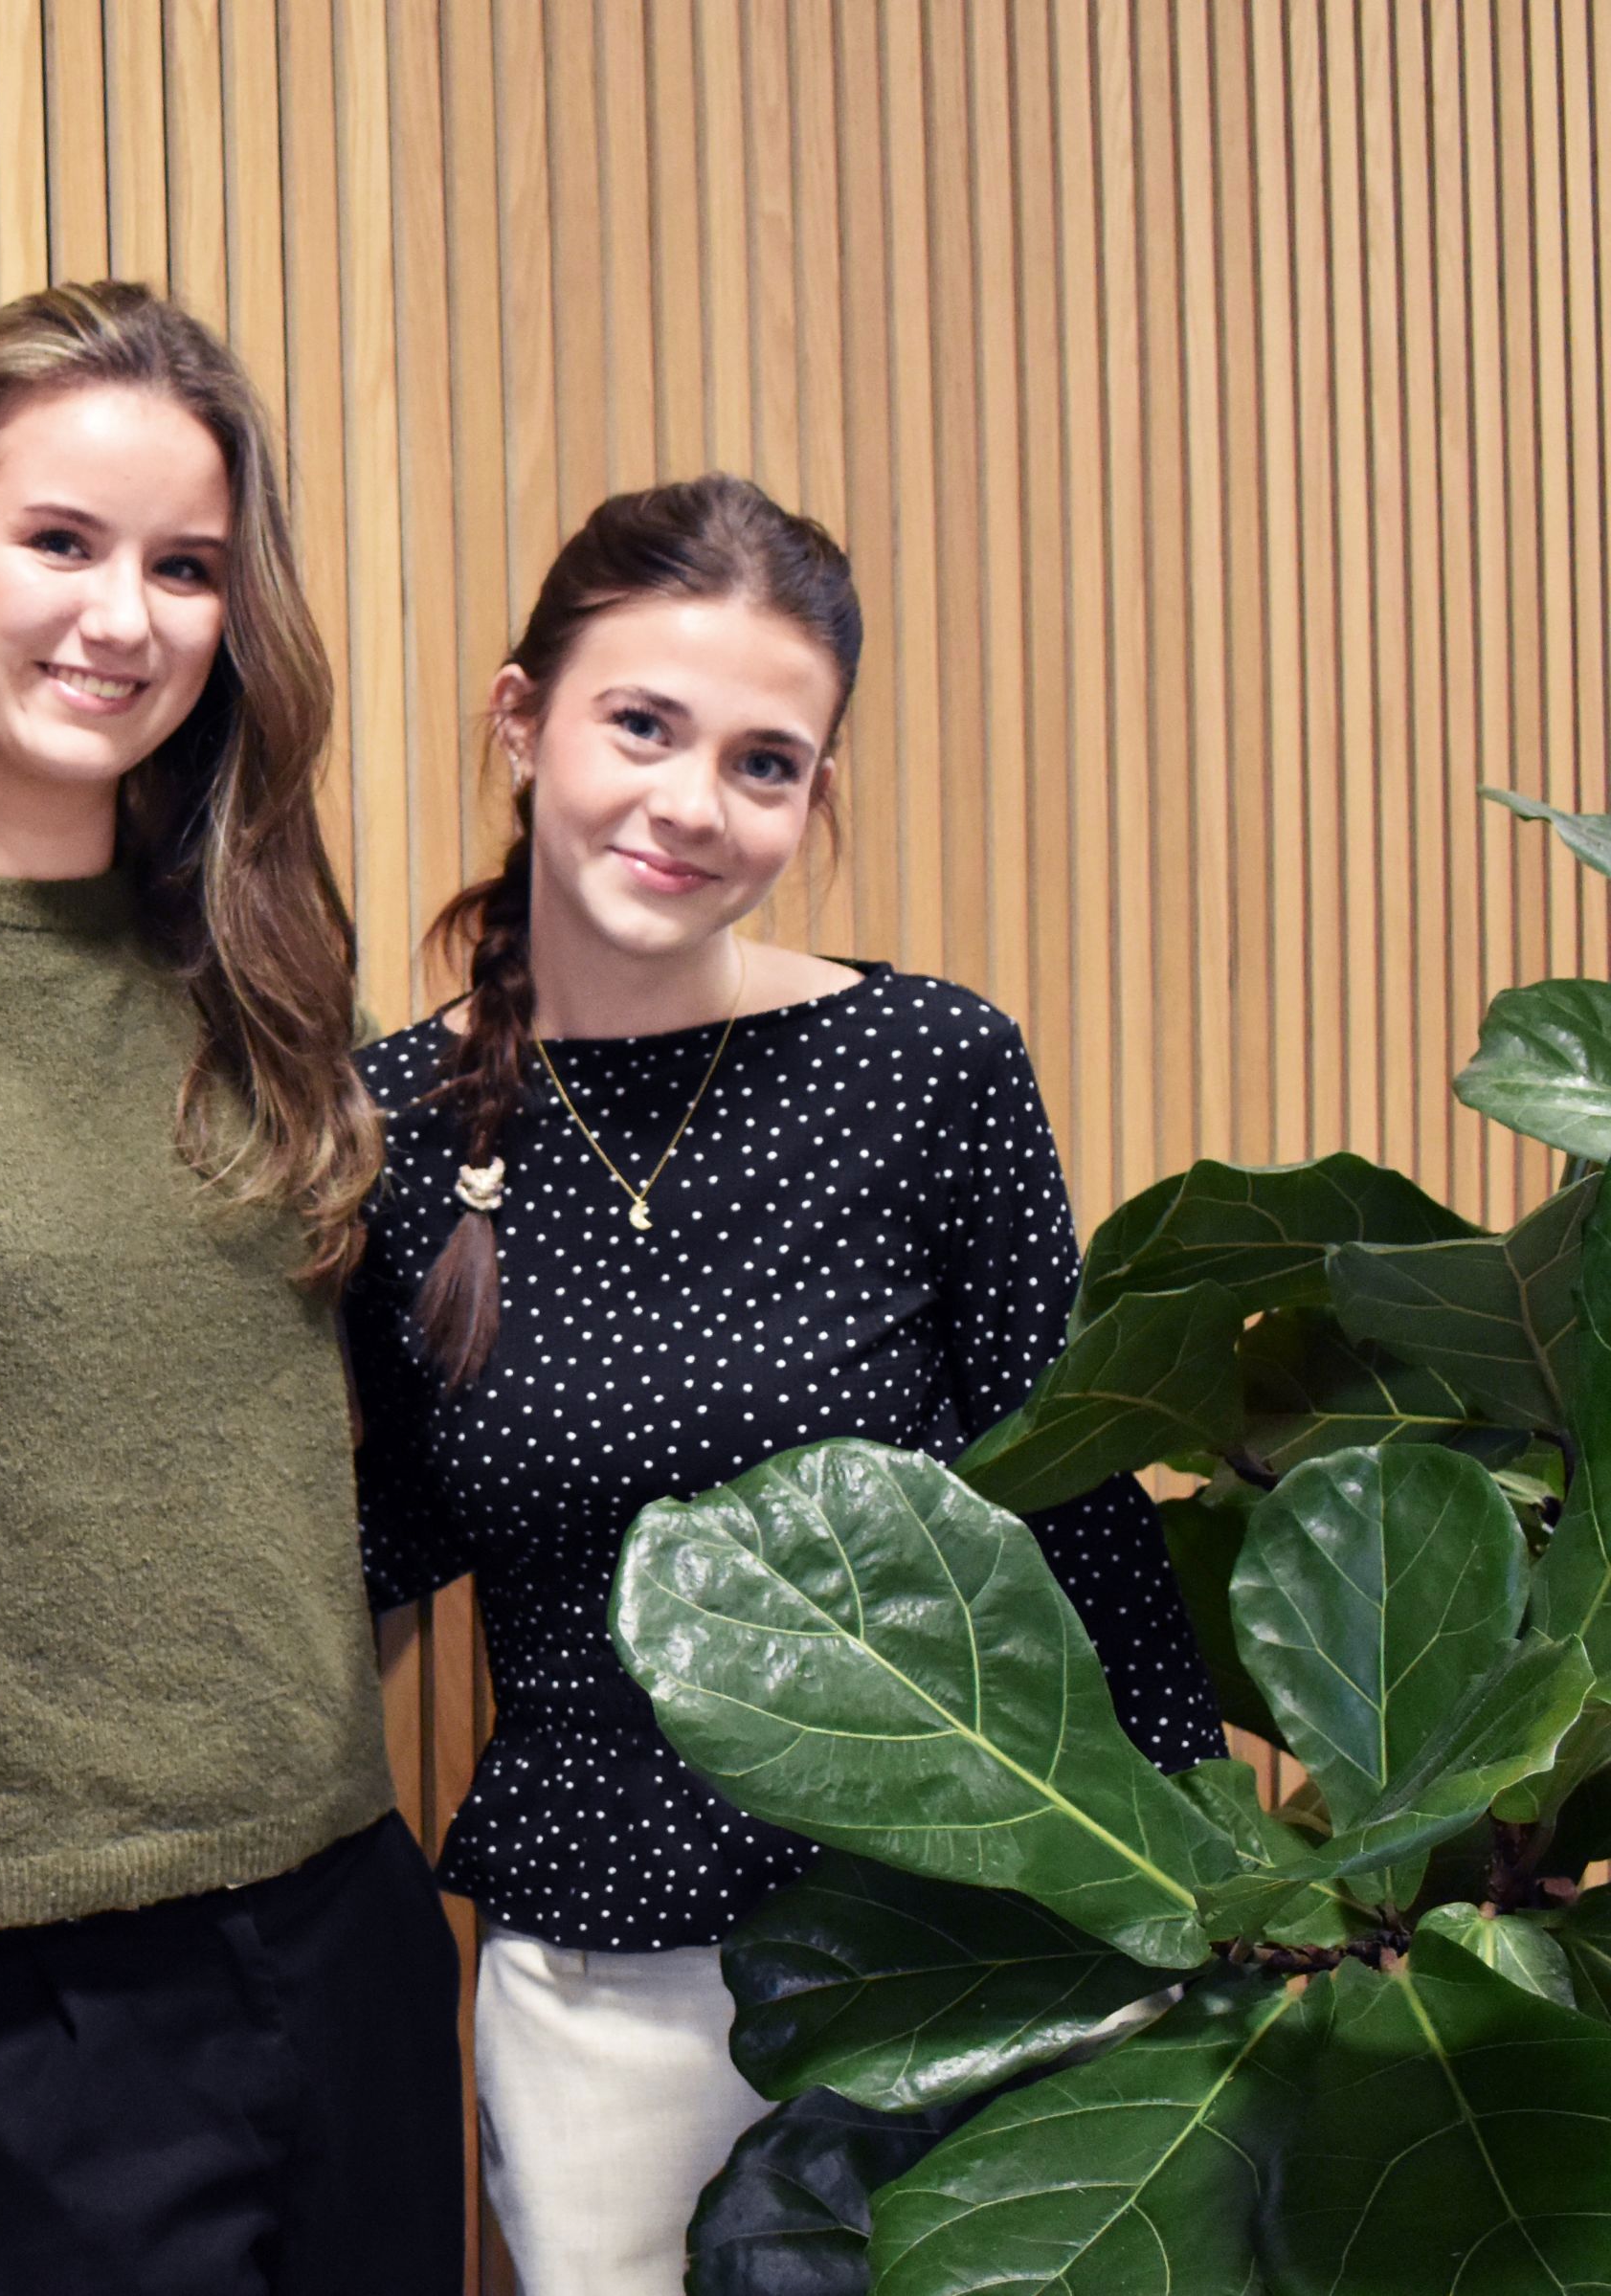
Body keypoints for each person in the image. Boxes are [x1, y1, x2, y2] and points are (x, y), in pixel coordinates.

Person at [340, 474, 1225, 2295]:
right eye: (641, 725)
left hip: (971, 1946)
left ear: (815, 795)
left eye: (764, 762)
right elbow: (393, 1530)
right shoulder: (394, 1127)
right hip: (610, 1980)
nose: (691, 803)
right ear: (521, 721)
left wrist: (1204, 1898)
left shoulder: (928, 1066)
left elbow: (1069, 1486)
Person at [0, 280, 463, 2296]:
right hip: (7, 1976)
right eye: (61, 542)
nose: (125, 617)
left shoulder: (258, 953)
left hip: (339, 1917)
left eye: (186, 567)